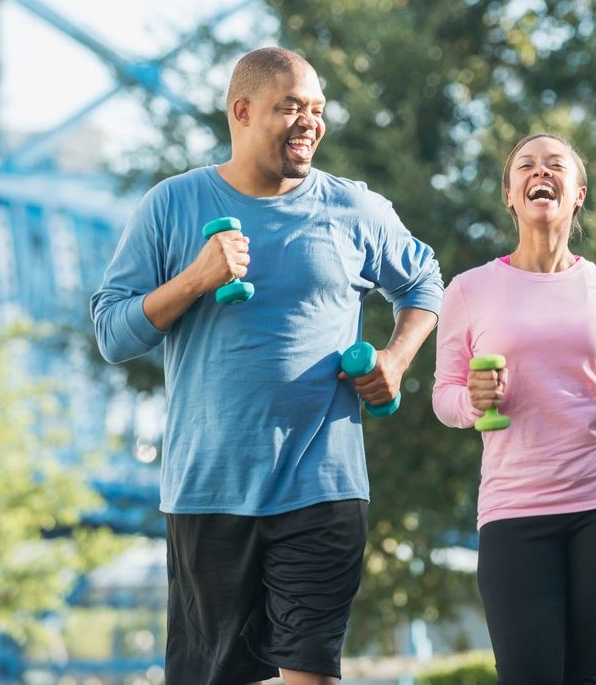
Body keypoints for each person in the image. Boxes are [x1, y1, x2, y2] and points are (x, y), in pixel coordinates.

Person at [90, 47, 443, 685]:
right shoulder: (172, 206)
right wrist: (195, 278)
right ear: (242, 111)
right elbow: (113, 335)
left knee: (310, 673)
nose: (309, 122)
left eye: (317, 109)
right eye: (290, 107)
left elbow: (423, 282)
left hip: (323, 483)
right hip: (208, 488)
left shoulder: (354, 210)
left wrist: (395, 358)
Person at [432, 133, 596, 684]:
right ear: (510, 194)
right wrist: (473, 401)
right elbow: (445, 396)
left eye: (557, 165)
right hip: (516, 507)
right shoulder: (469, 290)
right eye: (527, 166)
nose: (542, 172)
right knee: (528, 673)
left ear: (578, 192)